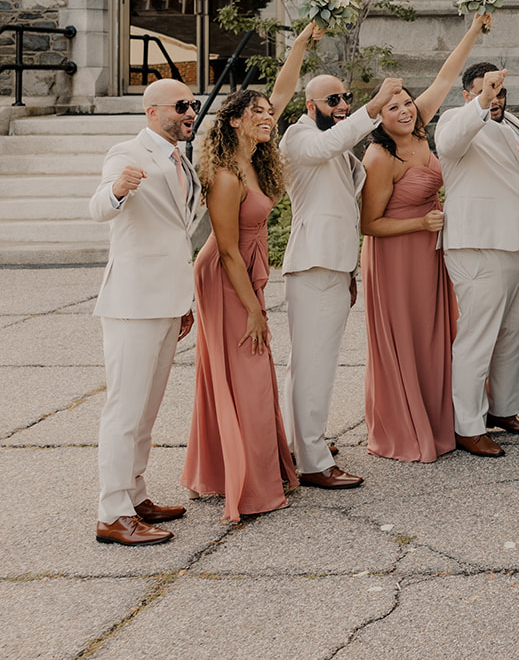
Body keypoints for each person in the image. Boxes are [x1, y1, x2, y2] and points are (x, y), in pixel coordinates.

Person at [359, 13, 490, 462]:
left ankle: (440, 419)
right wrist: (420, 223)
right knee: (407, 335)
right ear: (380, 115)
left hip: (429, 250)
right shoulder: (381, 154)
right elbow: (369, 223)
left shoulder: (420, 128)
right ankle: (405, 425)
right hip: (396, 253)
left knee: (436, 332)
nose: (405, 109)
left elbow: (447, 74)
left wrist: (474, 28)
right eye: (393, 106)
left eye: (407, 102)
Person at [280, 41, 406, 492]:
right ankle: (312, 461)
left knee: (311, 364)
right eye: (333, 100)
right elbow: (333, 141)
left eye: (346, 98)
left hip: (332, 265)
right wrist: (372, 107)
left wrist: (349, 270)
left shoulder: (330, 143)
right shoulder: (298, 136)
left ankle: (300, 444)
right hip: (312, 264)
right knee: (312, 366)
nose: (342, 105)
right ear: (309, 104)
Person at [87, 78, 202, 545]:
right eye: (181, 105)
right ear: (152, 111)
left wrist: (185, 302)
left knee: (147, 410)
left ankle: (135, 495)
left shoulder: (180, 160)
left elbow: (178, 233)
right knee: (124, 409)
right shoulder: (127, 152)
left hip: (167, 301)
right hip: (133, 304)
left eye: (193, 104)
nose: (190, 111)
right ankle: (112, 513)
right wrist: (117, 189)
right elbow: (98, 208)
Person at [180, 81, 301, 522]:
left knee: (247, 371)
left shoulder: (255, 164)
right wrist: (253, 309)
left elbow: (285, 87)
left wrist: (305, 41)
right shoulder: (227, 175)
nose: (268, 117)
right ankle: (249, 484)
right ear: (234, 121)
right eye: (257, 112)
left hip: (245, 274)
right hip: (224, 275)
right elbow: (228, 249)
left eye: (270, 111)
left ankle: (227, 469)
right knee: (247, 371)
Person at [437, 62, 519, 457]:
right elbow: (448, 145)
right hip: (479, 245)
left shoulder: (512, 123)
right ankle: (466, 425)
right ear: (468, 94)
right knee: (476, 340)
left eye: (500, 91)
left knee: (514, 336)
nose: (495, 98)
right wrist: (482, 101)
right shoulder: (456, 119)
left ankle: (502, 409)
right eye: (486, 90)